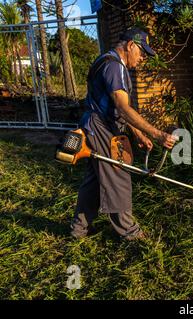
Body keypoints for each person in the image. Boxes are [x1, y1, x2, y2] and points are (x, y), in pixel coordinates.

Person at [70, 27, 177, 241]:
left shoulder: (108, 61)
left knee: (94, 181)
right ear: (130, 46)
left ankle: (79, 229)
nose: (142, 58)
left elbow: (118, 108)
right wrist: (157, 134)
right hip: (101, 127)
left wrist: (138, 134)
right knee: (118, 175)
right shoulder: (114, 66)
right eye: (142, 52)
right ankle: (130, 233)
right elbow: (123, 107)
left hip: (95, 124)